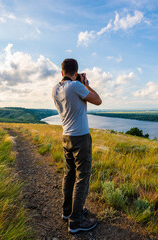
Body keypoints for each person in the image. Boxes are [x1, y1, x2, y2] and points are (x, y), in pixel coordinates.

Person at [52, 58, 102, 234]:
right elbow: (98, 100)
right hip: (80, 138)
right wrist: (86, 84)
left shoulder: (56, 89)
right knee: (82, 177)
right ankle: (76, 221)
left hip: (66, 137)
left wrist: (77, 81)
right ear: (77, 71)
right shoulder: (76, 86)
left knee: (69, 175)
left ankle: (68, 212)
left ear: (61, 72)